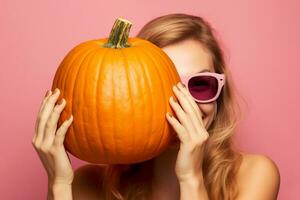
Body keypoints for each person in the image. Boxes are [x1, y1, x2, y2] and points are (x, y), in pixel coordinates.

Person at [32, 13, 280, 200]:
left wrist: (191, 178)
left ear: (219, 95)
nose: (185, 106)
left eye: (200, 84)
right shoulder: (88, 184)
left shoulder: (255, 175)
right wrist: (59, 183)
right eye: (164, 85)